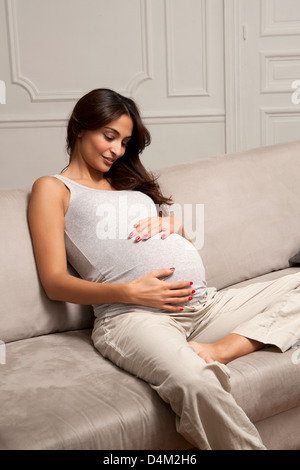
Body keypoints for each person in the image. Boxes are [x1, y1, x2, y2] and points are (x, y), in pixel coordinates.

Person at [28, 88, 300, 450]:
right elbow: (55, 283)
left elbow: (163, 235)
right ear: (79, 128)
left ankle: (221, 350)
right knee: (196, 383)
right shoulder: (53, 188)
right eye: (109, 137)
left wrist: (177, 227)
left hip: (203, 306)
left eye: (124, 142)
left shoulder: (125, 182)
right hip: (133, 316)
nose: (117, 150)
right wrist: (128, 291)